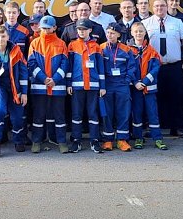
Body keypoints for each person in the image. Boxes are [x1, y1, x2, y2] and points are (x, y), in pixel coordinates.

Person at [142, 0, 183, 136]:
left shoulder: (177, 22)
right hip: (153, 66)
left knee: (176, 96)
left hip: (174, 66)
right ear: (152, 7)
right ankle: (152, 127)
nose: (160, 8)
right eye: (157, 6)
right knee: (153, 97)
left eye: (162, 6)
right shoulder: (145, 23)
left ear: (167, 6)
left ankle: (177, 127)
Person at [27, 15, 69, 154]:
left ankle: (62, 141)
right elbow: (31, 63)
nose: (44, 30)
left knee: (59, 115)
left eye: (47, 28)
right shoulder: (34, 43)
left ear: (54, 28)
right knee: (38, 115)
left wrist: (55, 79)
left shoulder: (61, 43)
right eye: (42, 28)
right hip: (40, 86)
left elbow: (65, 63)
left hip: (57, 87)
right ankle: (36, 141)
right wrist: (44, 78)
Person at [0, 25, 29, 156]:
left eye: (3, 36)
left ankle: (18, 140)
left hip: (15, 89)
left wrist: (24, 92)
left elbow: (23, 73)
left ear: (8, 37)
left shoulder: (16, 51)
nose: (0, 39)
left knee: (17, 117)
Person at [65, 19, 105, 153]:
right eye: (79, 29)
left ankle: (94, 140)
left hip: (93, 86)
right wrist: (69, 83)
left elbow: (101, 68)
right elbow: (69, 66)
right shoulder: (71, 45)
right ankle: (76, 140)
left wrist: (102, 86)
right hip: (77, 86)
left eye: (84, 29)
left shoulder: (97, 46)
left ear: (90, 30)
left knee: (93, 114)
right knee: (76, 114)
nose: (81, 31)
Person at [127, 22, 167, 150]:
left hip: (149, 89)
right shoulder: (128, 50)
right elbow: (128, 69)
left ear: (145, 33)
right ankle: (138, 138)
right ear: (132, 33)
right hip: (136, 88)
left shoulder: (151, 51)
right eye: (136, 31)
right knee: (137, 114)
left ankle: (158, 139)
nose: (138, 33)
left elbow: (155, 69)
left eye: (141, 31)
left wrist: (144, 82)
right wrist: (135, 82)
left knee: (153, 114)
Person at [100, 22, 138, 152]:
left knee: (124, 112)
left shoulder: (126, 49)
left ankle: (122, 139)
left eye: (112, 33)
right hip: (107, 84)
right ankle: (108, 140)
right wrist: (102, 84)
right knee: (107, 113)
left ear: (118, 35)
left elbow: (132, 67)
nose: (109, 35)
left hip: (122, 84)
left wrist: (127, 80)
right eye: (108, 33)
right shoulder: (101, 48)